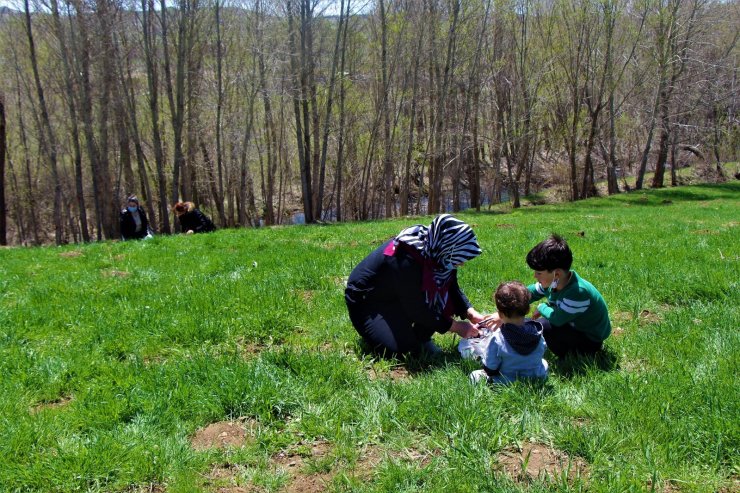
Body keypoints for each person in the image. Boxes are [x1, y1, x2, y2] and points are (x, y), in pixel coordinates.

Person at [345, 214, 487, 356]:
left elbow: (450, 287)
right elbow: (416, 307)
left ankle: (420, 336)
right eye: (459, 258)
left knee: (438, 302)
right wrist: (456, 327)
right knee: (399, 349)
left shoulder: (437, 250)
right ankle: (391, 329)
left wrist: (470, 312)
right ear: (446, 249)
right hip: (367, 300)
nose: (461, 264)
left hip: (396, 293)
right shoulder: (406, 257)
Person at [525, 234, 611, 357]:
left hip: (589, 340)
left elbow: (557, 319)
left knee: (543, 326)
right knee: (531, 323)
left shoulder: (578, 292)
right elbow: (530, 293)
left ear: (556, 274)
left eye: (539, 273)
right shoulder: (554, 282)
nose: (535, 276)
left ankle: (573, 355)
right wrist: (507, 308)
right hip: (572, 326)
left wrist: (541, 307)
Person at [469, 281, 548, 384]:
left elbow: (490, 369)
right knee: (544, 363)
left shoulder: (498, 338)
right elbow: (542, 350)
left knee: (475, 376)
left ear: (500, 314)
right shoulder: (537, 332)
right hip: (535, 376)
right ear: (528, 309)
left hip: (507, 380)